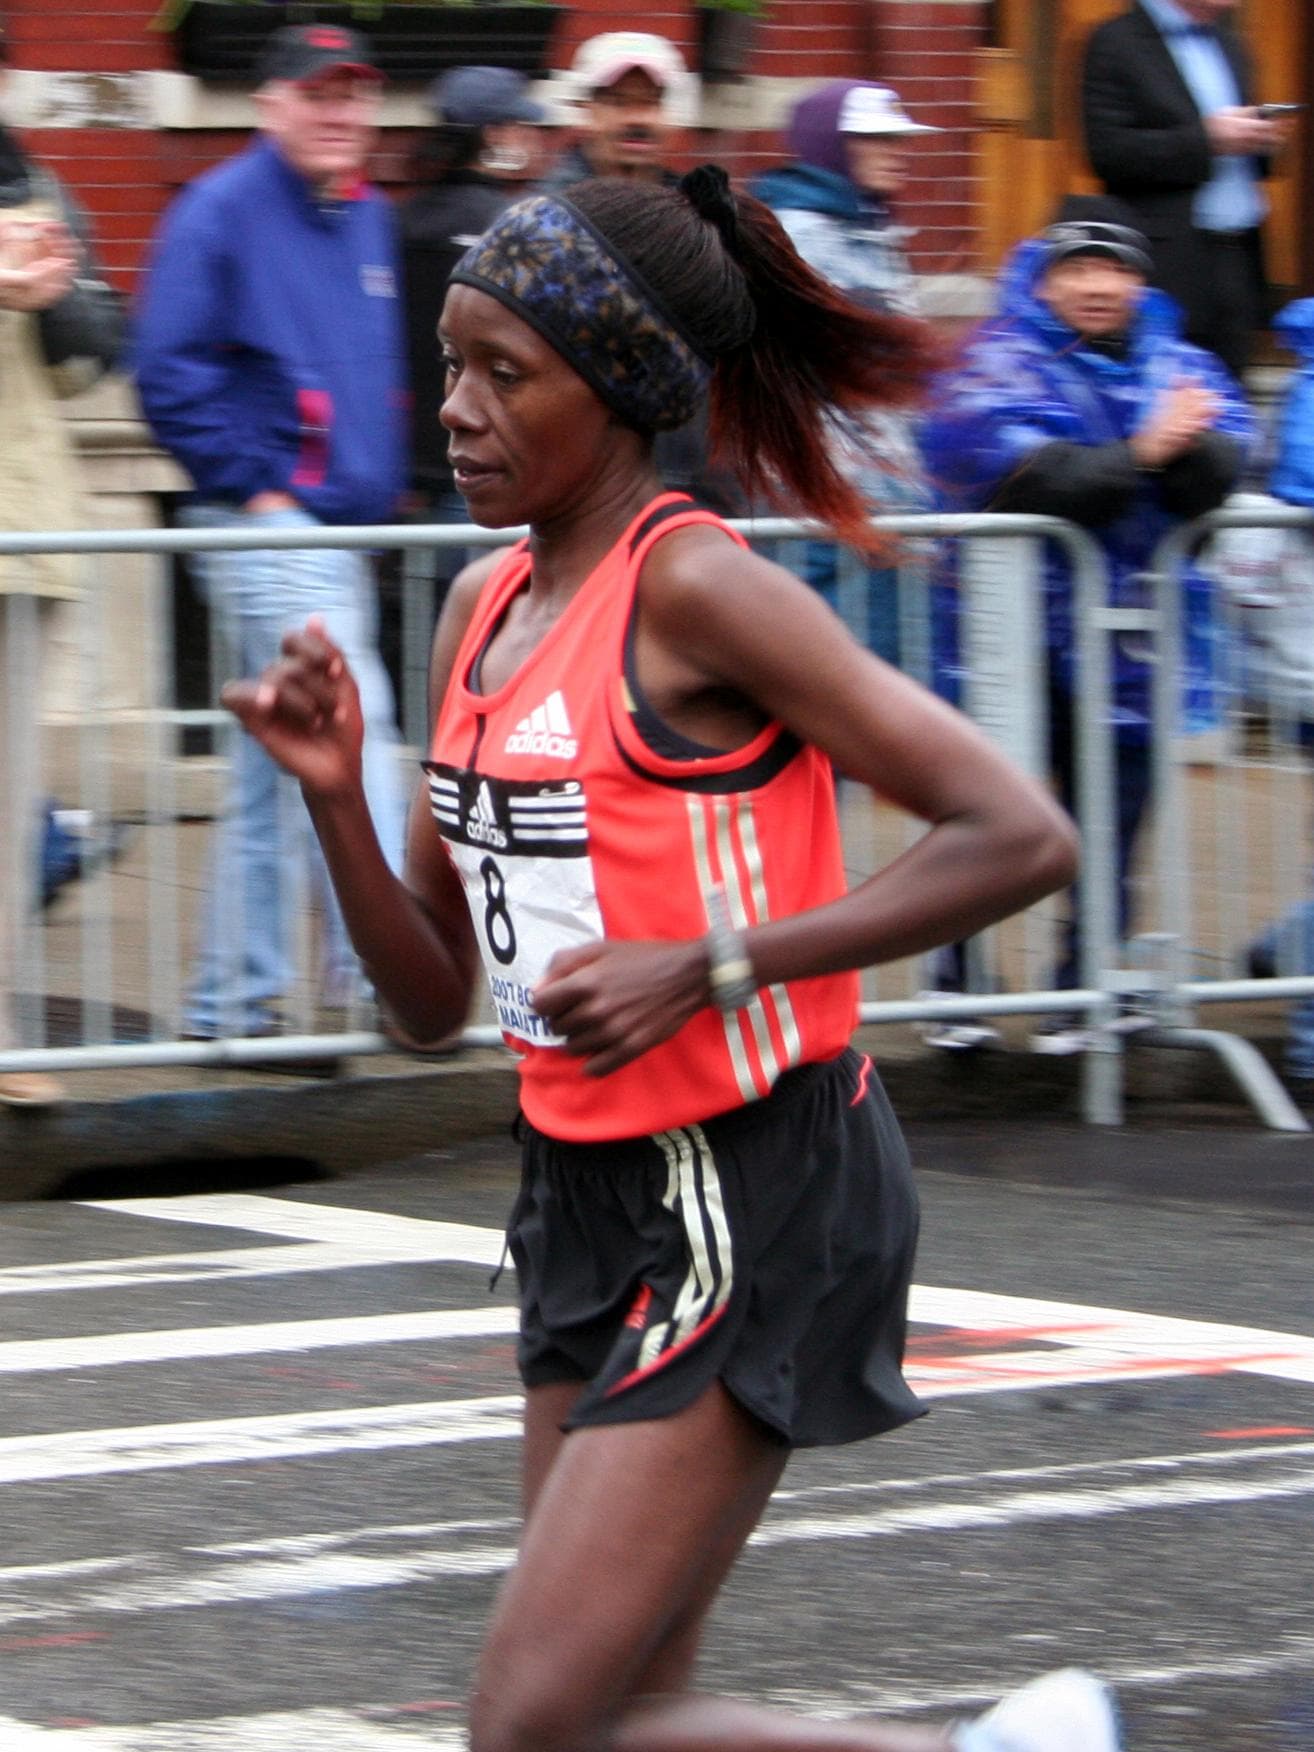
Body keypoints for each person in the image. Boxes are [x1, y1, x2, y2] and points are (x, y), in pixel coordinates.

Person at [220, 164, 1122, 1751]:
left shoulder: (696, 588)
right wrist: (337, 805)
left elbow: (1015, 832)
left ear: (623, 389)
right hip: (578, 1197)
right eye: (450, 362)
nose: (459, 409)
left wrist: (707, 963)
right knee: (621, 1719)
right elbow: (433, 1006)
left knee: (530, 1726)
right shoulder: (480, 607)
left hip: (747, 1175)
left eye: (510, 373)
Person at [921, 198, 1254, 1051]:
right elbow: (1024, 473)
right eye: (1078, 268)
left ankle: (1085, 985)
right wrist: (1145, 452)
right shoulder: (996, 360)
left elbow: (1216, 471)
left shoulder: (1180, 366)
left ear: (1141, 282)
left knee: (1113, 824)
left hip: (1131, 641)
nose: (1098, 285)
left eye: (1116, 269)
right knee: (985, 817)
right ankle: (953, 984)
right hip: (1010, 643)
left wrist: (1173, 452)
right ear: (1046, 277)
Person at [134, 22, 408, 1045]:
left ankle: (231, 1008)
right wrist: (256, 488)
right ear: (271, 104)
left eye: (356, 94)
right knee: (354, 724)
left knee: (270, 775)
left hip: (339, 529)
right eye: (319, 92)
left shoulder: (367, 215)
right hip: (268, 525)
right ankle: (388, 975)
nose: (341, 112)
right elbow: (164, 369)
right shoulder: (219, 211)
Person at [0, 24, 125, 1106]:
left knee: (7, 805)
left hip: (19, 524)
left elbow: (100, 348)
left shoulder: (32, 182)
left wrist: (54, 306)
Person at [753, 80, 937, 669]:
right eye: (875, 140)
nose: (896, 151)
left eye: (898, 139)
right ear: (830, 146)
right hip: (825, 513)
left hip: (881, 508)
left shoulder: (871, 229)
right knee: (841, 699)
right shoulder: (796, 236)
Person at [1080, 0, 1292, 382]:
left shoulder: (1230, 43)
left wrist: (1263, 141)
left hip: (1238, 257)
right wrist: (1205, 140)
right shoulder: (1116, 41)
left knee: (1230, 405)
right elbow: (1108, 153)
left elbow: (1240, 152)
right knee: (1168, 403)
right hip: (1169, 264)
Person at [401, 65, 547, 528]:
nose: (536, 138)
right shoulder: (517, 228)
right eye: (526, 126)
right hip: (489, 468)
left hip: (411, 469)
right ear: (495, 135)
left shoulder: (398, 223)